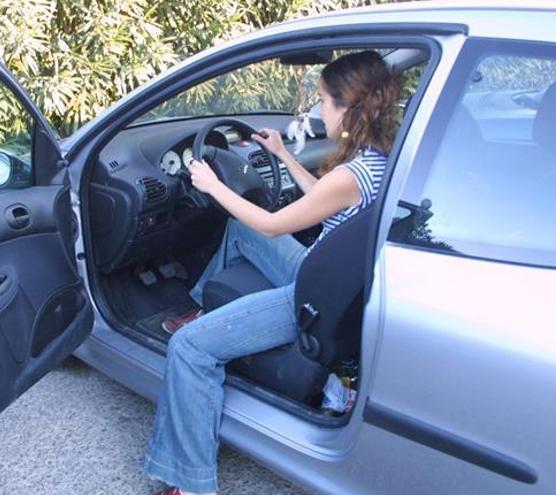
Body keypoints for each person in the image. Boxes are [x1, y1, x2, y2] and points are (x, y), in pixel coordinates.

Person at [146, 50, 402, 495]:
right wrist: (282, 154)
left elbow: (271, 223)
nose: (321, 110)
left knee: (190, 348)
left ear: (348, 106)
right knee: (236, 228)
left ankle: (188, 483)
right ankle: (199, 304)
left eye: (325, 100)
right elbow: (323, 198)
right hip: (334, 279)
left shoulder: (351, 174)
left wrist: (214, 186)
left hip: (314, 297)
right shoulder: (380, 160)